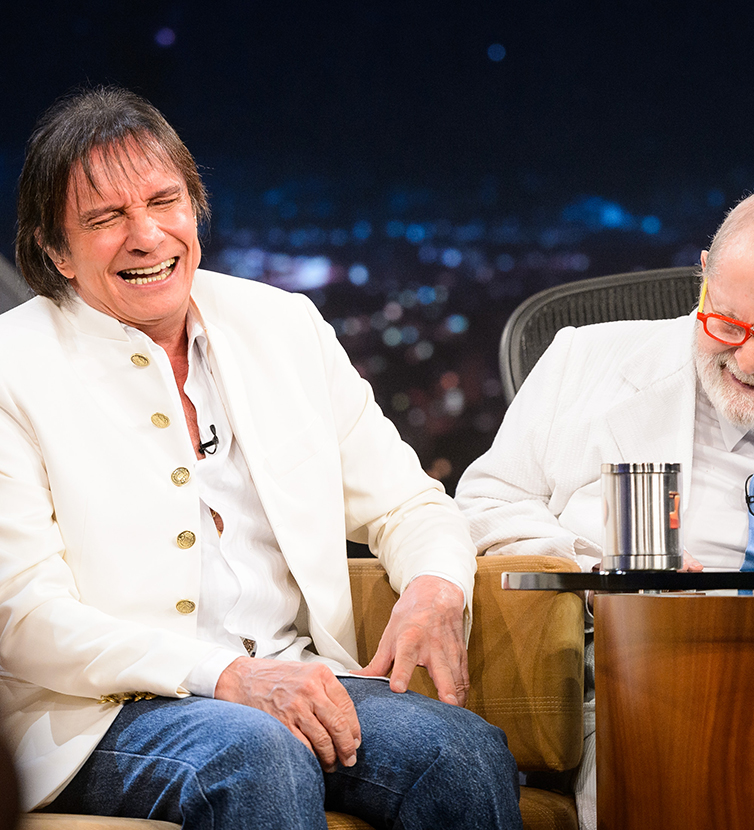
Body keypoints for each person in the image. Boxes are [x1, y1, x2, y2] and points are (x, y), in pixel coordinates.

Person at [0, 86, 522, 830]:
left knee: (460, 754)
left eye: (164, 201)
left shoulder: (283, 324)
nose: (147, 236)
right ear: (56, 250)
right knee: (257, 755)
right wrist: (226, 676)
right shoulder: (13, 366)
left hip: (301, 674)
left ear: (195, 207)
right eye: (106, 218)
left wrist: (436, 587)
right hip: (98, 714)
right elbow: (22, 616)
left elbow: (409, 504)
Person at [455, 180, 754, 830]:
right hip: (657, 688)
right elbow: (486, 505)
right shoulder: (583, 362)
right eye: (727, 324)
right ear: (705, 279)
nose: (748, 359)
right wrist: (589, 567)